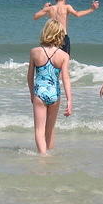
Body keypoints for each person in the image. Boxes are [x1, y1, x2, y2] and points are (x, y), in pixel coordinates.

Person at [27, 19, 72, 155]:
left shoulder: (35, 52)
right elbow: (65, 79)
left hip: (39, 93)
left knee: (39, 130)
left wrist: (31, 93)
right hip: (55, 94)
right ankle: (49, 155)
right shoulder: (64, 55)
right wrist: (69, 100)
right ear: (59, 35)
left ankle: (43, 157)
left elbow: (29, 77)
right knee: (50, 130)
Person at [33, 0, 99, 56]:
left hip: (52, 37)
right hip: (63, 36)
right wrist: (91, 9)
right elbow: (77, 14)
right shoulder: (67, 7)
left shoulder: (50, 8)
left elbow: (35, 16)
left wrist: (44, 8)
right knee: (65, 58)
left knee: (52, 58)